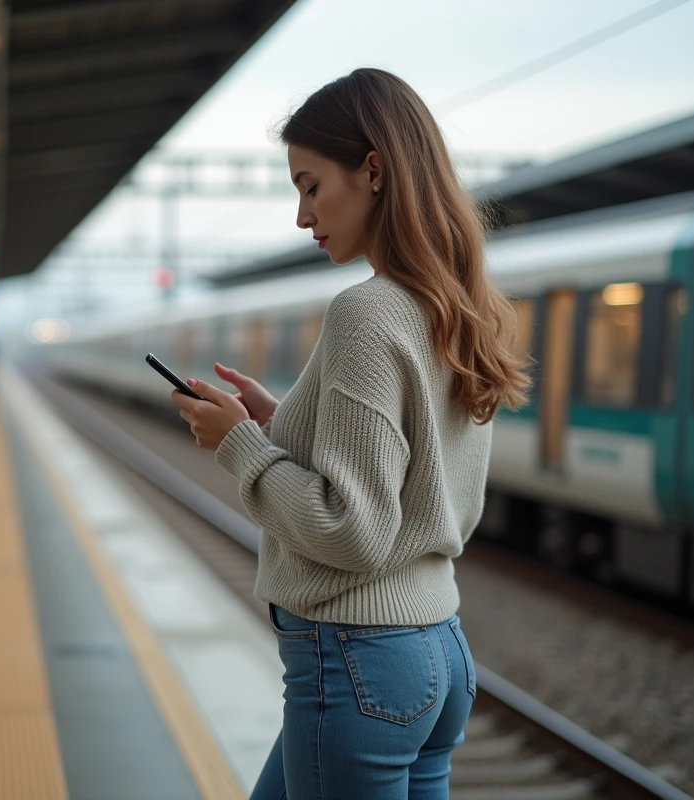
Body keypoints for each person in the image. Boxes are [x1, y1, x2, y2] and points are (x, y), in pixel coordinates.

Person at [168, 69, 530, 800]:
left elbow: (351, 529)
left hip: (358, 659)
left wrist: (240, 446)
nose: (303, 217)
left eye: (309, 185)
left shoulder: (366, 313)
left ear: (372, 171)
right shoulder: (458, 305)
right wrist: (278, 423)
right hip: (436, 651)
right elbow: (407, 463)